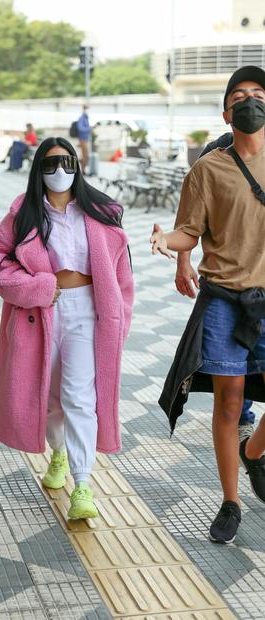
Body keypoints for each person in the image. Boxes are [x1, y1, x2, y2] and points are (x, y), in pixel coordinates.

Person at [0, 137, 134, 520]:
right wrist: (37, 288)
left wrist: (121, 319)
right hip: (41, 312)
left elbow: (122, 277)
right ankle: (59, 452)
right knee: (46, 396)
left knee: (79, 398)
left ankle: (82, 484)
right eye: (49, 164)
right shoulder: (24, 213)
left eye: (66, 161)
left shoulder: (100, 212)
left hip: (88, 311)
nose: (59, 170)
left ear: (77, 163)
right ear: (38, 170)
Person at [150, 65, 265, 544]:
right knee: (229, 399)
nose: (250, 102)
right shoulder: (207, 169)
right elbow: (189, 232)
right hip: (222, 299)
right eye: (240, 95)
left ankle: (254, 452)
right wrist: (166, 241)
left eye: (259, 94)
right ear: (226, 111)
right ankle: (231, 501)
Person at [175, 130, 256, 443]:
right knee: (234, 361)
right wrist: (183, 264)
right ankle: (243, 423)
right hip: (226, 286)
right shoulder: (217, 151)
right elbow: (192, 216)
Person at [76, 105, 92, 174]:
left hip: (85, 139)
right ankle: (82, 170)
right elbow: (80, 128)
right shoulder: (82, 118)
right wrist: (89, 128)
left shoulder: (86, 118)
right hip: (82, 139)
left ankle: (83, 170)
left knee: (85, 155)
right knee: (85, 155)